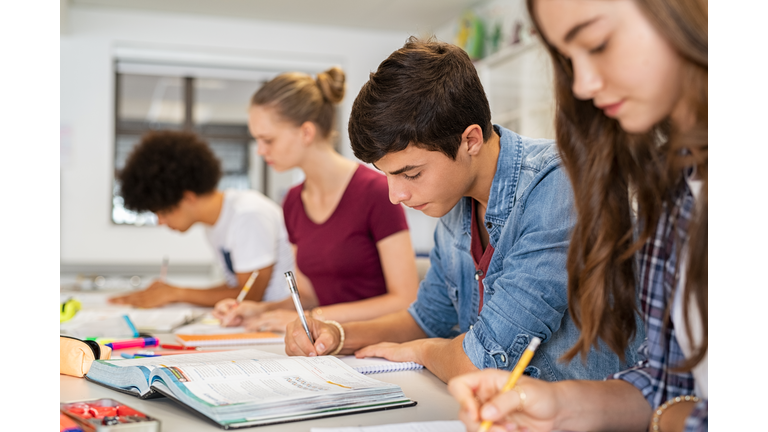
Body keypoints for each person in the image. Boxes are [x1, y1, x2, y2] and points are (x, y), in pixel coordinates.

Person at [281, 38, 641, 383]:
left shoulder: (558, 185)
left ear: (470, 140)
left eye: (411, 173)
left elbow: (484, 361)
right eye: (388, 175)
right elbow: (427, 319)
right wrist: (337, 334)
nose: (396, 195)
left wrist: (425, 352)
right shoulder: (455, 201)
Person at [448, 0, 708, 431]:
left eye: (598, 43)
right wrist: (561, 404)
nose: (583, 84)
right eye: (568, 59)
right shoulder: (676, 187)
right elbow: (664, 383)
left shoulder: (551, 184)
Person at [213, 67, 419, 332]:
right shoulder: (293, 202)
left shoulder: (377, 191)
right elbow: (309, 297)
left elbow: (404, 300)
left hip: (378, 344)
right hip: (326, 345)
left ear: (306, 132)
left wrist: (314, 317)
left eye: (268, 140)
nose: (261, 151)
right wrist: (261, 310)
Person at [109, 130, 294, 308]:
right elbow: (237, 287)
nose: (160, 222)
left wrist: (176, 293)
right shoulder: (214, 224)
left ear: (188, 198)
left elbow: (250, 296)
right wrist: (171, 292)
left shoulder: (248, 214)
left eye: (163, 213)